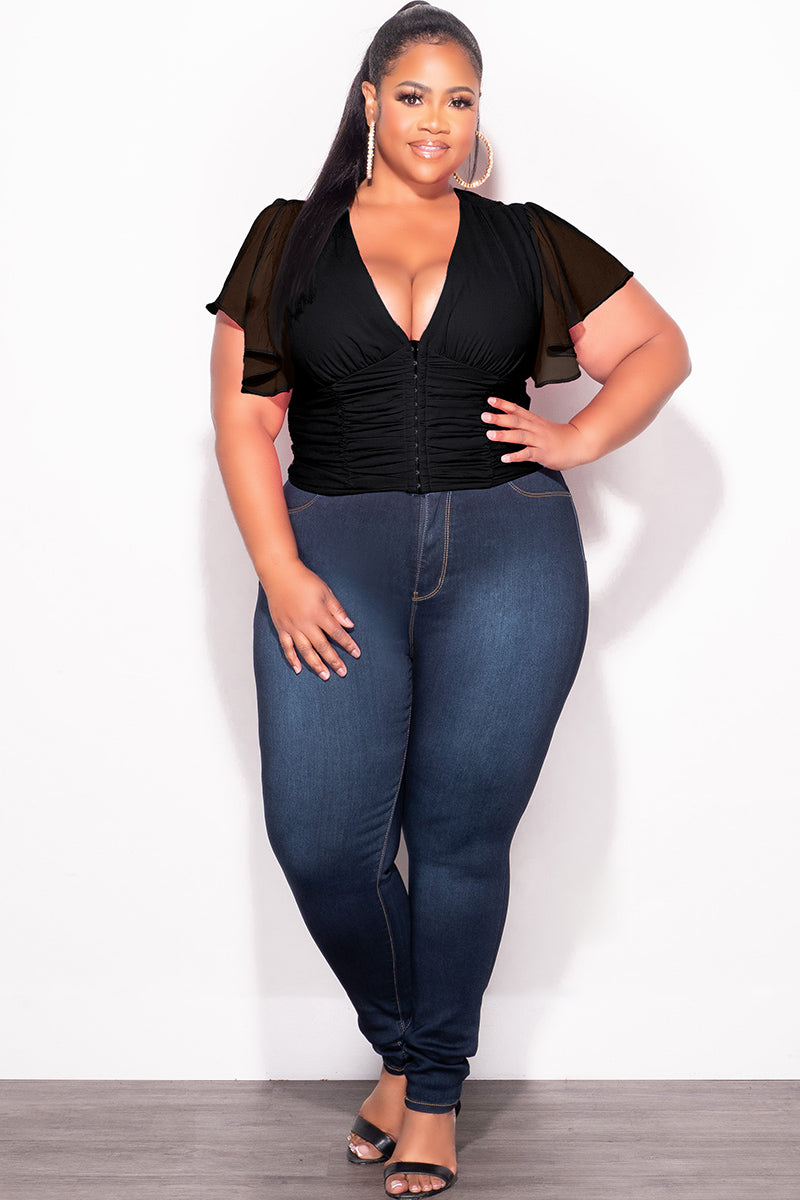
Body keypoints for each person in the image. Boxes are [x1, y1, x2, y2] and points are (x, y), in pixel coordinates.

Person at [205, 4, 691, 1194]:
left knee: (461, 841)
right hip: (333, 557)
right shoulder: (286, 238)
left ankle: (431, 1093)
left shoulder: (524, 240)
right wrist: (279, 570)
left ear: (478, 117)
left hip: (510, 559)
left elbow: (658, 348)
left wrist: (574, 441)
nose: (437, 121)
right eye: (414, 94)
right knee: (322, 841)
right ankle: (402, 1044)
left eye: (460, 100)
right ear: (369, 100)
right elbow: (244, 421)